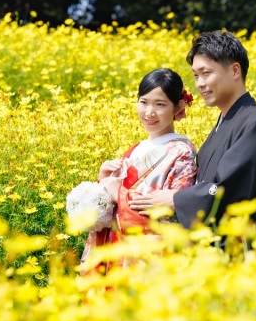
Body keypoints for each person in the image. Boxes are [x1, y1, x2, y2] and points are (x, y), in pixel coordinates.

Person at [136, 30, 256, 233]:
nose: (200, 84)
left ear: (234, 71)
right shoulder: (226, 122)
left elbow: (229, 189)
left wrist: (175, 199)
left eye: (206, 73)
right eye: (196, 76)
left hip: (241, 250)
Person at [81, 68, 198, 271]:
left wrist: (118, 193)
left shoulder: (181, 153)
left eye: (159, 104)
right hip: (115, 249)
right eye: (143, 102)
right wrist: (103, 182)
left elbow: (173, 216)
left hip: (143, 260)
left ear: (178, 107)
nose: (149, 112)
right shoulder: (135, 149)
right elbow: (107, 211)